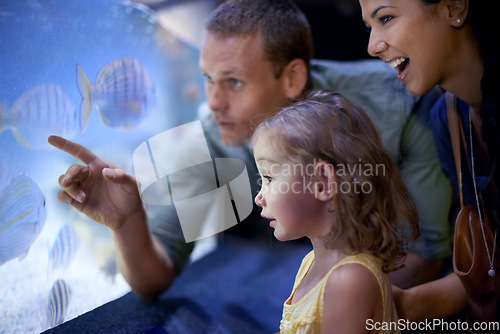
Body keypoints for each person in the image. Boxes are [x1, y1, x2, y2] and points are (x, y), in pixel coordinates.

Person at [49, 0, 451, 301]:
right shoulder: (215, 132)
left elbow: (425, 258)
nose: (214, 101)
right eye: (207, 79)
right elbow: (157, 275)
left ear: (293, 77)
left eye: (233, 82)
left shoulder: (401, 107)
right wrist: (127, 222)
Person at [360, 0, 499, 325]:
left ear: (453, 8)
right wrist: (404, 304)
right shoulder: (447, 119)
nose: (372, 46)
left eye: (386, 18)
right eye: (369, 27)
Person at [252, 89, 420, 333]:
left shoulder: (348, 280)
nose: (259, 196)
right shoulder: (311, 262)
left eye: (269, 178)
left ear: (322, 183)